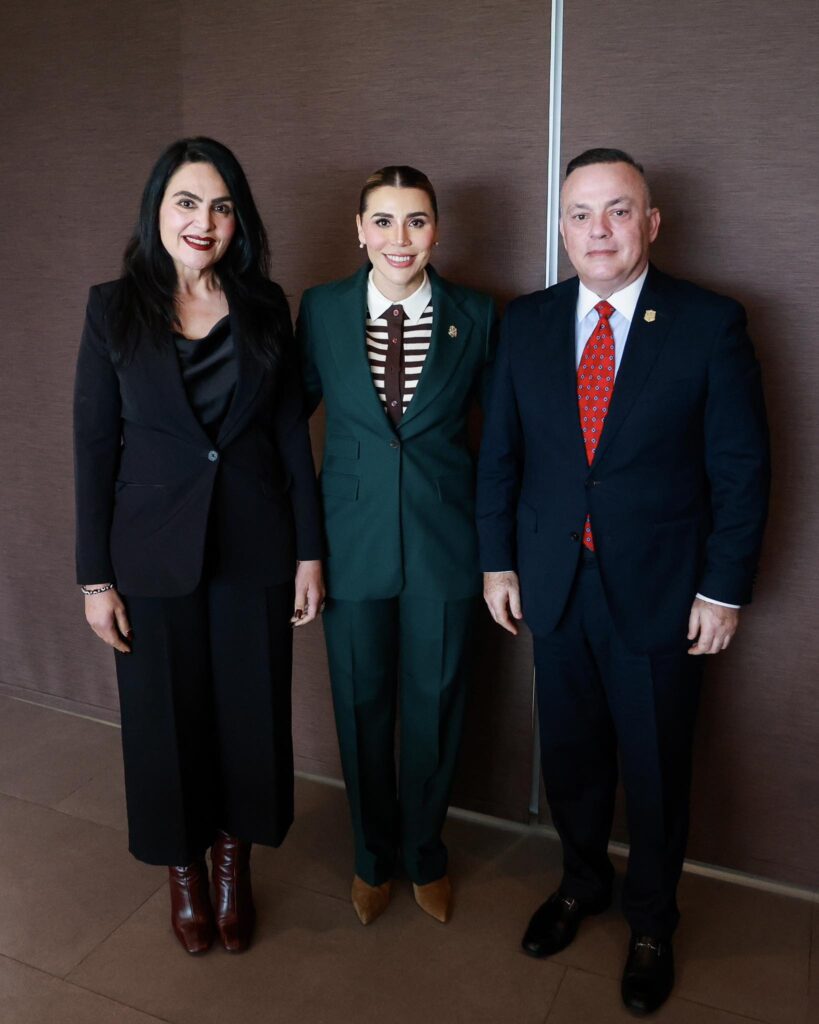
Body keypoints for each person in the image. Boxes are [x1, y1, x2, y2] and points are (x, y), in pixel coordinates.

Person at [477, 149, 769, 1015]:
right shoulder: (526, 322)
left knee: (655, 767)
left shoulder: (707, 322)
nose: (597, 230)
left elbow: (741, 469)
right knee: (569, 758)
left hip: (661, 591)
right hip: (553, 581)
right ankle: (580, 883)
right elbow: (499, 457)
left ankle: (651, 919)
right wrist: (496, 560)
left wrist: (722, 590)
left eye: (617, 211)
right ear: (561, 228)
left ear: (650, 222)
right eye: (579, 213)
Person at [74, 137, 324, 955]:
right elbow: (94, 446)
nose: (203, 221)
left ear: (237, 220)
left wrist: (309, 552)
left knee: (249, 716)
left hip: (255, 546)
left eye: (220, 206)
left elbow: (289, 436)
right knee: (164, 721)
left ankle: (231, 868)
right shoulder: (112, 308)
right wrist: (94, 579)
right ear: (158, 209)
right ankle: (183, 871)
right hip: (150, 555)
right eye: (186, 202)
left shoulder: (265, 305)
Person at [297, 166, 495, 926]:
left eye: (415, 220)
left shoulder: (478, 314)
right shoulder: (321, 309)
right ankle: (370, 857)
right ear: (359, 230)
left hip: (447, 547)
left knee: (436, 707)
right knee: (359, 705)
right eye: (383, 221)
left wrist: (502, 554)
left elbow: (504, 443)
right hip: (349, 545)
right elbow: (284, 423)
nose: (399, 238)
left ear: (437, 229)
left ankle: (425, 854)